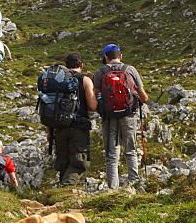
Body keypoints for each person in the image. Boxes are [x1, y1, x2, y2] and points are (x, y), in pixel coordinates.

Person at [93, 44, 149, 189]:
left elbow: (95, 96)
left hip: (109, 116)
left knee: (112, 153)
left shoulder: (100, 72)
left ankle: (113, 187)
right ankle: (134, 182)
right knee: (130, 149)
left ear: (105, 57)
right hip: (128, 114)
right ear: (121, 56)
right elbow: (144, 98)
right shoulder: (130, 70)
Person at [50, 52, 98, 187]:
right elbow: (93, 106)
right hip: (78, 126)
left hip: (59, 126)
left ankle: (60, 193)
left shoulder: (57, 80)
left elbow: (50, 106)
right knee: (79, 163)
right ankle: (65, 189)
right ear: (81, 65)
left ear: (66, 65)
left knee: (63, 162)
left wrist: (49, 131)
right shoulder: (85, 80)